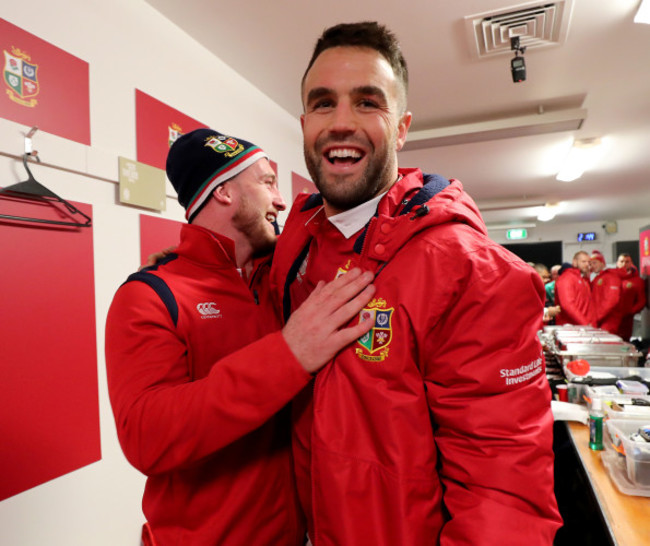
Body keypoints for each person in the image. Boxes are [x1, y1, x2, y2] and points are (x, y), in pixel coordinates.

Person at [270, 21, 561, 545]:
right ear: (304, 122)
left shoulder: (470, 271)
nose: (341, 123)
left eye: (366, 102)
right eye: (323, 103)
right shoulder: (296, 244)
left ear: (402, 127)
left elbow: (503, 489)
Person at [105, 128, 376, 545]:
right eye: (267, 182)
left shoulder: (282, 281)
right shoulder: (149, 296)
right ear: (224, 192)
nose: (281, 199)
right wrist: (288, 355)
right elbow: (147, 436)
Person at [554, 251, 596, 326]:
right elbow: (567, 305)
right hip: (572, 329)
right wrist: (586, 323)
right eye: (583, 262)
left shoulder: (582, 279)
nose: (587, 264)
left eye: (588, 262)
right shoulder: (566, 278)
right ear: (574, 262)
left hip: (583, 328)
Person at [615, 253, 647, 340]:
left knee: (624, 343)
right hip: (610, 319)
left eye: (627, 262)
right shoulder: (610, 278)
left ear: (631, 263)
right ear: (617, 263)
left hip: (626, 320)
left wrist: (630, 311)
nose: (624, 264)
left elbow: (642, 301)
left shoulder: (637, 281)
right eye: (621, 261)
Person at [588, 250, 621, 334]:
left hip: (609, 320)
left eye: (594, 263)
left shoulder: (611, 277)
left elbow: (612, 301)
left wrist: (597, 317)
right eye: (590, 264)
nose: (592, 266)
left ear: (602, 263)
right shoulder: (597, 278)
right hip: (600, 319)